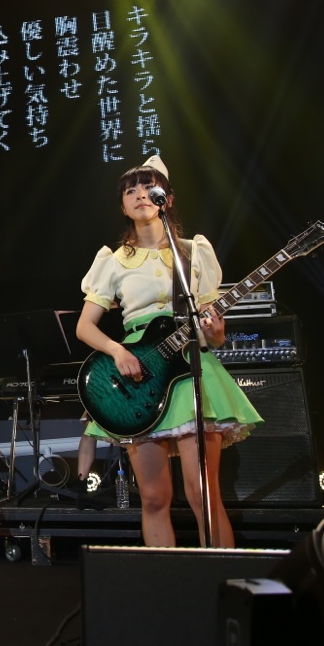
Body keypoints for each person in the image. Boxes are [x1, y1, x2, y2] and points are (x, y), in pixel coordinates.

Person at [75, 155, 263, 548]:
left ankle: (220, 578)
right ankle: (166, 579)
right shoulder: (113, 260)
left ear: (167, 199)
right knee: (155, 497)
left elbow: (214, 333)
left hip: (192, 370)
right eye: (131, 191)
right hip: (139, 375)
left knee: (203, 494)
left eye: (149, 188)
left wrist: (216, 332)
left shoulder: (193, 252)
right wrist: (117, 352)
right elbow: (85, 326)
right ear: (123, 205)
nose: (140, 195)